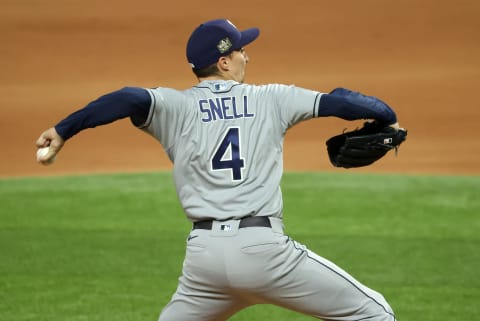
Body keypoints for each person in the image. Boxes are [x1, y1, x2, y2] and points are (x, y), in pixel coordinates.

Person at [36, 19, 400, 321]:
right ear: (224, 62)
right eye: (240, 49)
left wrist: (63, 130)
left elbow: (128, 97)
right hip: (264, 253)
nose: (246, 56)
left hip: (204, 264)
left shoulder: (174, 106)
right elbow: (342, 101)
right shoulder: (271, 98)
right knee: (376, 314)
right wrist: (389, 119)